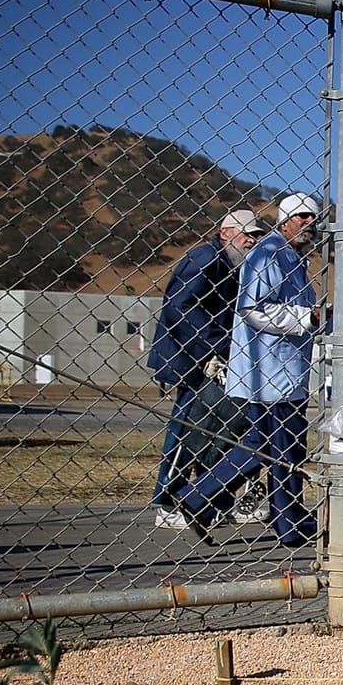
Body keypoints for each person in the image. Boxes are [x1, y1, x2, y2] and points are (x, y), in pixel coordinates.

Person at [169, 192, 323, 546]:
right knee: (280, 447)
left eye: (313, 219)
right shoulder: (269, 254)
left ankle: (201, 498)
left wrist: (314, 320)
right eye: (302, 217)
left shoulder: (294, 259)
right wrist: (306, 317)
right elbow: (252, 308)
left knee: (273, 444)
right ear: (284, 220)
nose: (309, 225)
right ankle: (287, 522)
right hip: (267, 372)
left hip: (284, 371)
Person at [145, 208, 262, 527]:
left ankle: (214, 500)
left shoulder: (232, 264)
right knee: (185, 432)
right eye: (246, 233)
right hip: (192, 360)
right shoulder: (206, 259)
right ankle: (167, 501)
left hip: (215, 359)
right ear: (226, 233)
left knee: (219, 433)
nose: (252, 240)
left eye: (255, 235)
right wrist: (216, 346)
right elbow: (180, 306)